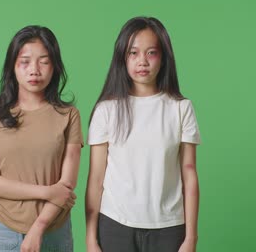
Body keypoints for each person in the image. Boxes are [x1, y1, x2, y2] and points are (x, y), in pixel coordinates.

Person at [85, 17, 201, 252]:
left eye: (151, 53)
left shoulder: (180, 108)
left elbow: (189, 174)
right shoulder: (106, 110)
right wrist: (91, 239)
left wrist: (191, 238)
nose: (142, 61)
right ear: (122, 57)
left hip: (169, 227)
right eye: (133, 53)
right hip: (115, 225)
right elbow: (96, 179)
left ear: (164, 57)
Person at [0, 25, 83, 252]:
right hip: (3, 230)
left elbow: (67, 184)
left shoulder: (69, 115)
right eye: (25, 61)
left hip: (55, 230)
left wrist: (38, 228)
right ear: (12, 66)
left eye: (43, 61)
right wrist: (46, 191)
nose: (34, 70)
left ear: (54, 67)